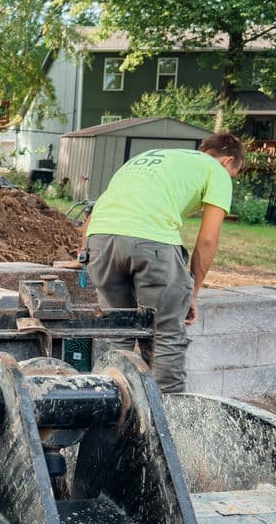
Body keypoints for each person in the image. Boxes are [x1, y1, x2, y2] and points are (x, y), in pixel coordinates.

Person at [83, 133, 245, 393]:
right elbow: (208, 239)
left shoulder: (147, 159)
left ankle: (108, 408)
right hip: (151, 243)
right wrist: (193, 291)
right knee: (166, 336)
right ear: (228, 162)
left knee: (119, 333)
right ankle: (169, 418)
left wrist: (86, 253)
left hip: (99, 242)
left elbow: (94, 215)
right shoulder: (217, 171)